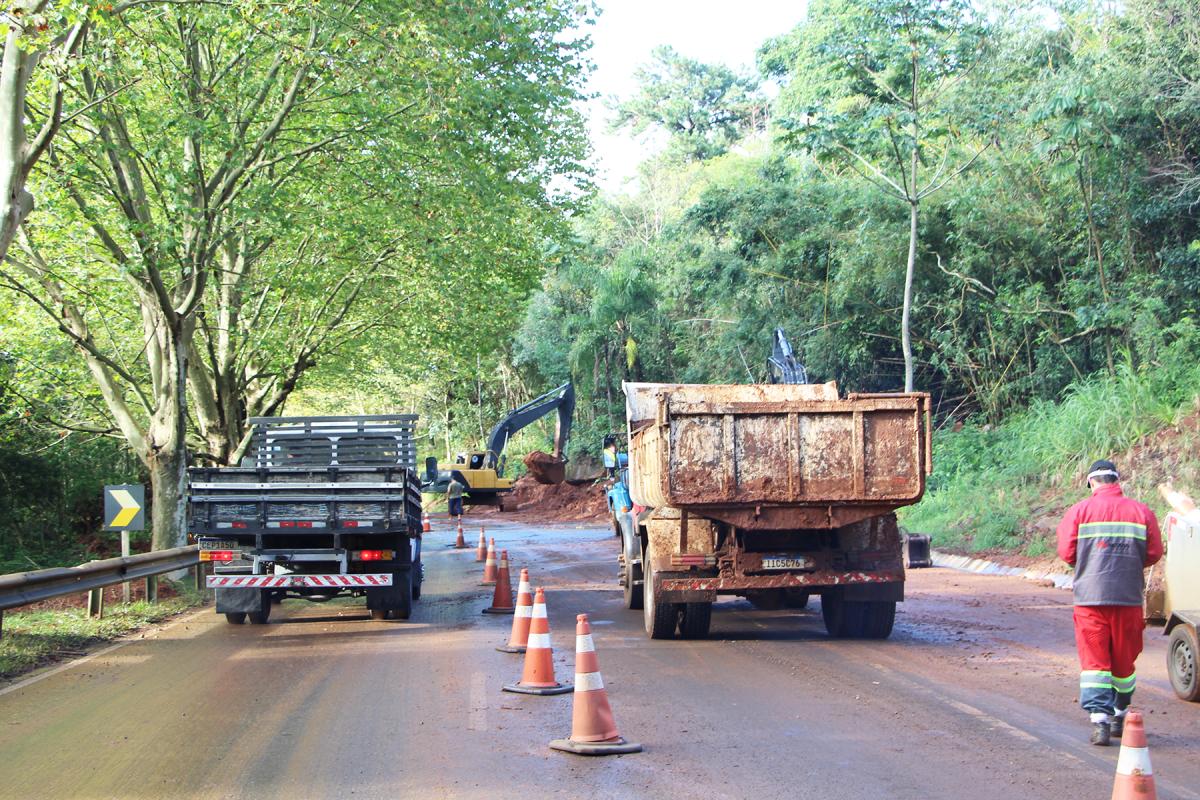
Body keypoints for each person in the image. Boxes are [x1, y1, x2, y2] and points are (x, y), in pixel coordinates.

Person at [1056, 459, 1162, 746]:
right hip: (1128, 598)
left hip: (1090, 599)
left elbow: (1067, 553)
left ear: (1091, 482)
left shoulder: (1079, 511)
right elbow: (1153, 553)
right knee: (1124, 661)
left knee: (1094, 662)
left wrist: (1092, 561)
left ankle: (1099, 722)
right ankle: (1120, 712)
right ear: (1117, 481)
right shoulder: (1142, 512)